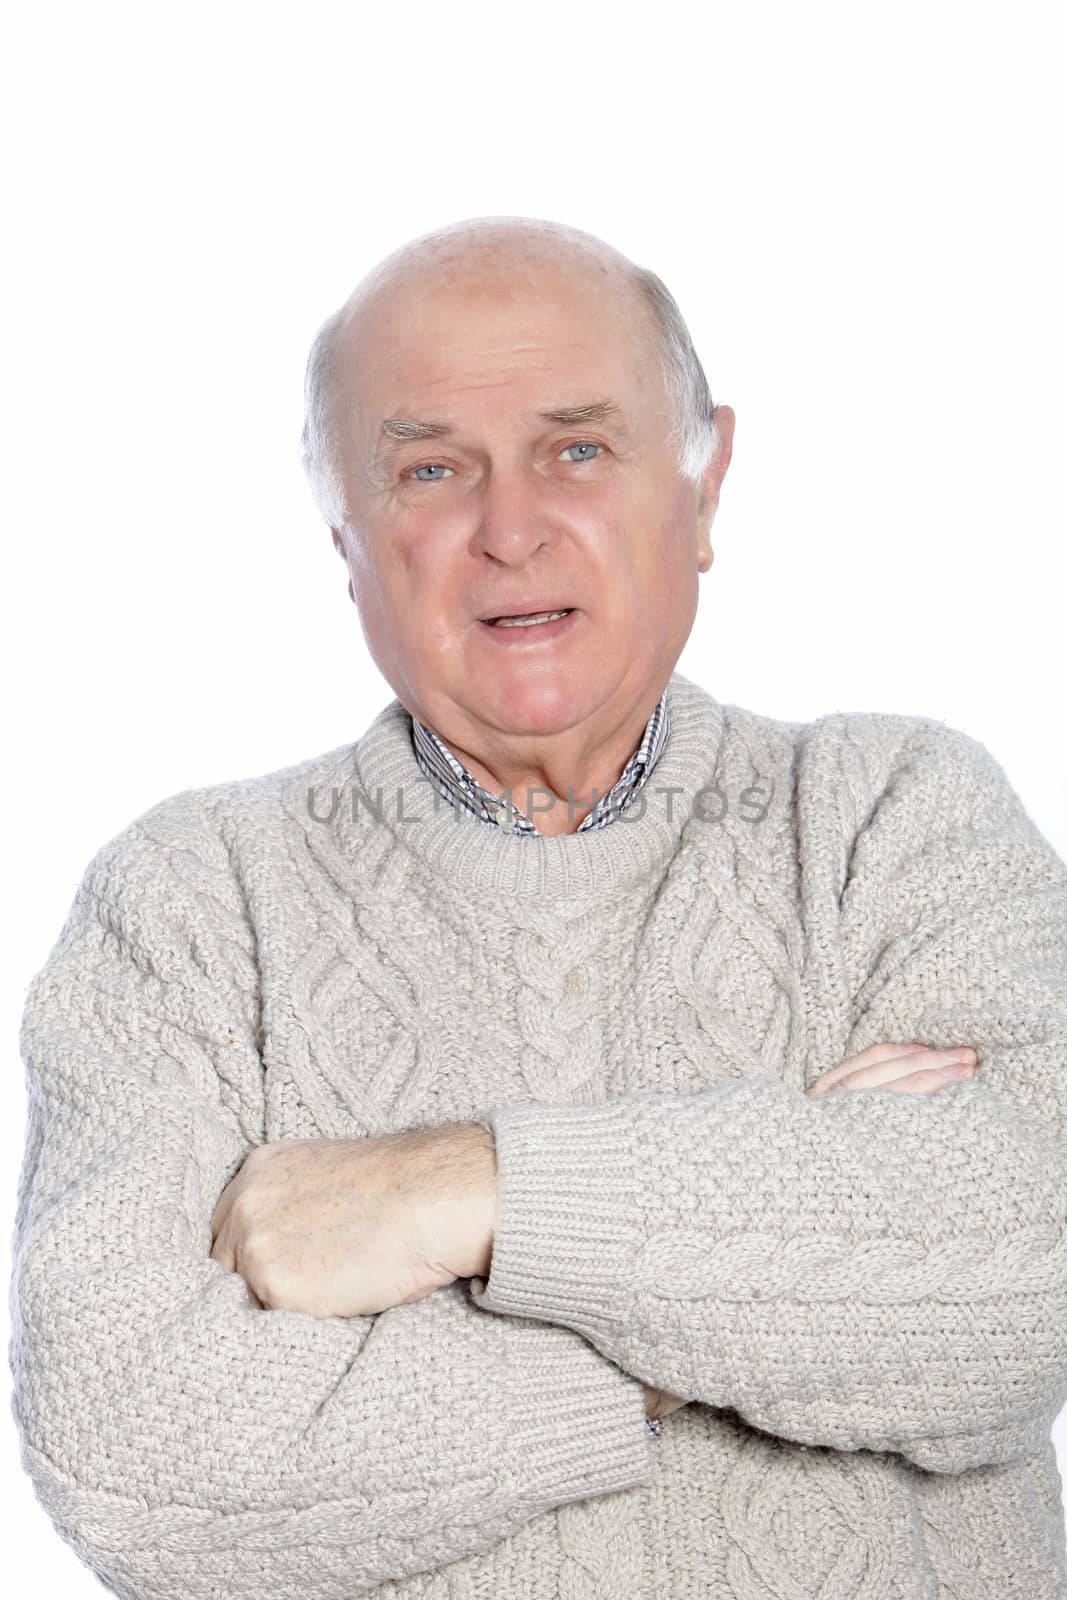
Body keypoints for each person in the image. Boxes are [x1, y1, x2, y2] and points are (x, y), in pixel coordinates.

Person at [11, 214, 1067, 1599]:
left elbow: (1029, 1281)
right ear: (348, 537)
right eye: (432, 469)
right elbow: (131, 1458)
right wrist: (777, 1268)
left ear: (703, 486)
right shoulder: (192, 905)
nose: (509, 530)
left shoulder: (889, 813)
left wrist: (465, 1195)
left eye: (578, 449)